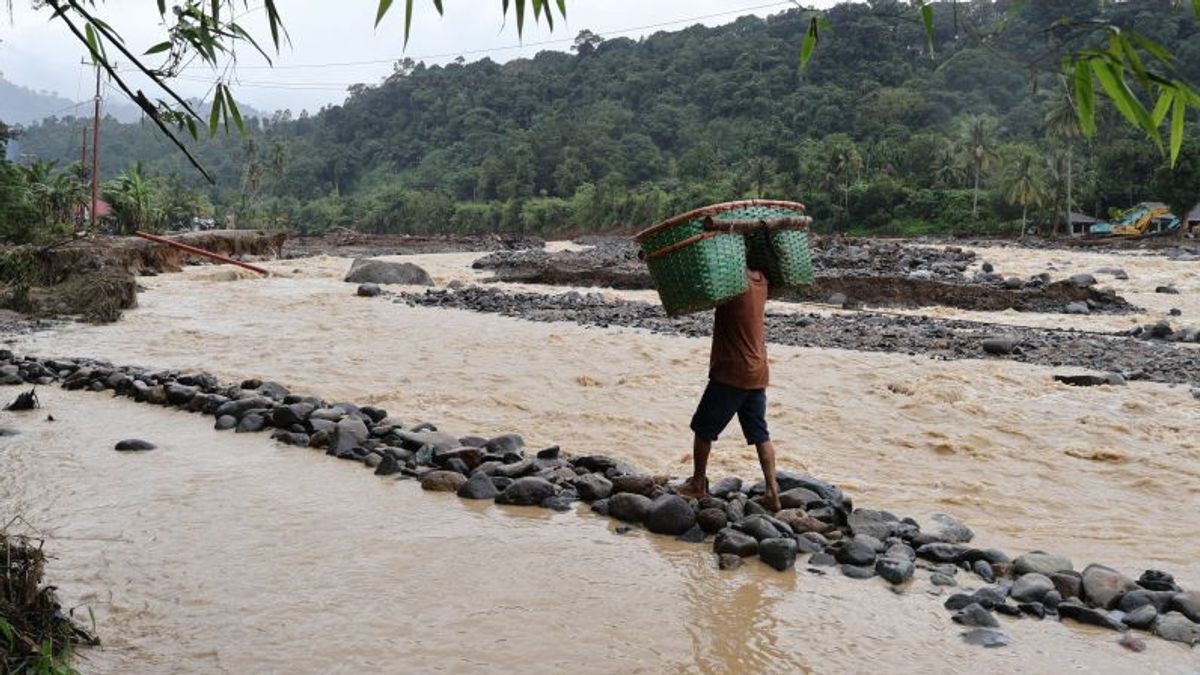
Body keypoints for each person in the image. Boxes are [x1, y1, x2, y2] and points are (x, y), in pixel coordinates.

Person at [675, 263, 781, 511]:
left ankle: (698, 484)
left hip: (732, 370)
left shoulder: (732, 282)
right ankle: (772, 491)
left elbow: (697, 286)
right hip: (758, 369)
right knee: (759, 432)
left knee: (703, 428)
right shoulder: (761, 279)